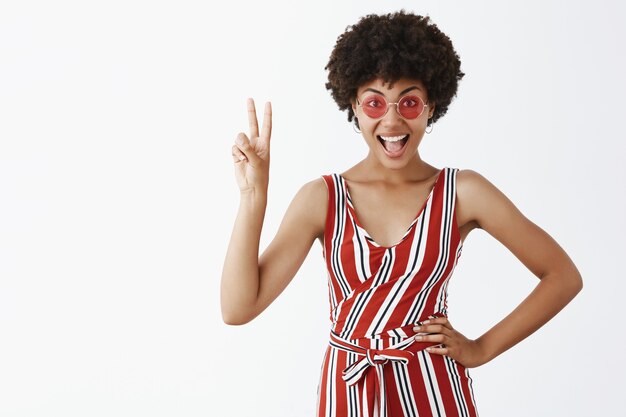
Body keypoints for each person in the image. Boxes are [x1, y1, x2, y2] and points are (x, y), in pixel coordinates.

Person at [221, 10, 583, 417]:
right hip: (349, 391)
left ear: (431, 107)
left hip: (436, 391)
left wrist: (481, 348)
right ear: (354, 107)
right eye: (375, 102)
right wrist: (253, 197)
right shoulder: (321, 198)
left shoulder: (462, 192)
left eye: (408, 102)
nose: (391, 120)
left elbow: (563, 276)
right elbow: (238, 309)